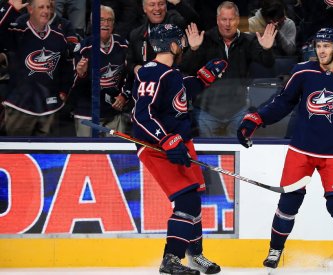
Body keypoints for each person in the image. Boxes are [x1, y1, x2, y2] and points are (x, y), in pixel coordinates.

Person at [236, 28, 333, 272]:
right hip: (301, 150)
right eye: (318, 46)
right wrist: (255, 120)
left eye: (326, 46)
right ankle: (275, 249)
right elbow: (282, 102)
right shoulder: (302, 71)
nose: (321, 50)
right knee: (289, 202)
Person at [131, 23, 228, 275]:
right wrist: (165, 139)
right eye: (181, 41)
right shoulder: (152, 73)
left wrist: (204, 78)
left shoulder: (168, 72)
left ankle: (195, 255)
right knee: (186, 199)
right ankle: (171, 259)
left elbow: (180, 91)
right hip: (156, 146)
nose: (183, 45)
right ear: (173, 44)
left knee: (193, 198)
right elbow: (141, 116)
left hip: (176, 142)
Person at [181, 1, 276, 137]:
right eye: (224, 19)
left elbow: (268, 63)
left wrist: (267, 49)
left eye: (231, 19)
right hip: (206, 111)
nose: (227, 24)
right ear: (217, 20)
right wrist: (194, 49)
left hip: (238, 110)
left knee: (241, 150)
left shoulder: (247, 41)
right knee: (207, 155)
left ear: (237, 20)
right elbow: (186, 68)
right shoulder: (204, 39)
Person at [1, 0, 72, 136]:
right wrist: (10, 9)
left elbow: (66, 65)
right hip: (19, 108)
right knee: (18, 156)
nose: (46, 11)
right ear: (30, 10)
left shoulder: (59, 36)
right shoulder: (17, 31)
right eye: (41, 7)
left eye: (48, 7)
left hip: (50, 109)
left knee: (47, 156)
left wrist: (64, 89)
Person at [70, 5, 130, 137]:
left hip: (114, 113)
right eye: (101, 20)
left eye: (109, 20)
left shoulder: (123, 45)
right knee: (88, 156)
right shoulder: (82, 48)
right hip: (87, 114)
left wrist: (124, 96)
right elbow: (71, 87)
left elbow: (130, 77)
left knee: (116, 156)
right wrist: (81, 74)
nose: (106, 24)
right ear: (92, 23)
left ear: (114, 24)